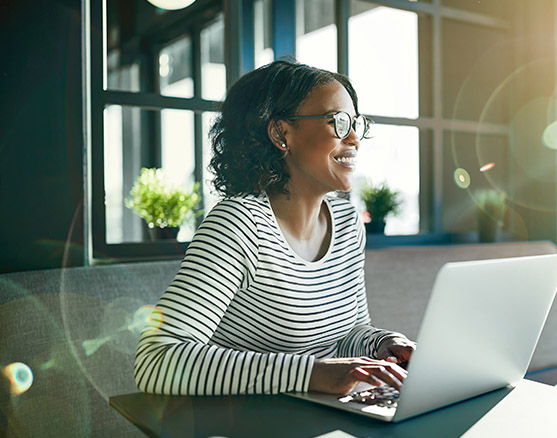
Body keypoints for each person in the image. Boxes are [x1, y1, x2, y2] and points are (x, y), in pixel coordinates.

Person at [134, 59, 416, 396]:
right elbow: (156, 359)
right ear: (282, 133)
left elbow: (347, 333)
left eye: (356, 123)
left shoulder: (347, 222)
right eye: (339, 122)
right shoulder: (237, 225)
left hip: (324, 415)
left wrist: (382, 344)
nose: (354, 138)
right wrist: (312, 374)